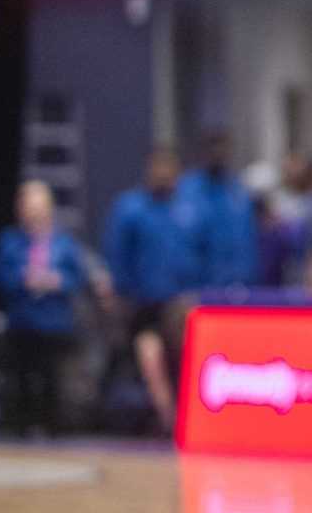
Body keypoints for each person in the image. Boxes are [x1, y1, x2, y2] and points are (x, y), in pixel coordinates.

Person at [103, 145, 200, 432]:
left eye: (169, 169)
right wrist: (122, 294)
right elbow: (116, 253)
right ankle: (165, 416)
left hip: (179, 303)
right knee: (149, 360)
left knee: (181, 361)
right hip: (142, 303)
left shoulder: (188, 209)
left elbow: (197, 253)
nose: (164, 174)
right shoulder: (130, 208)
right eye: (158, 168)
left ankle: (183, 415)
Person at [0, 180, 94, 435]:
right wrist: (22, 278)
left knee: (52, 379)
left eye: (38, 207)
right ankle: (19, 425)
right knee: (21, 378)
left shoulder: (64, 244)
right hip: (22, 321)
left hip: (54, 323)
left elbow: (79, 278)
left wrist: (57, 281)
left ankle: (53, 426)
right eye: (28, 206)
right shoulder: (9, 241)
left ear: (49, 209)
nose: (33, 213)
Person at [177, 129, 258, 288]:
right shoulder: (186, 190)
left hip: (237, 286)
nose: (218, 154)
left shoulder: (238, 189)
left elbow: (247, 239)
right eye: (213, 148)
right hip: (197, 287)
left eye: (223, 149)